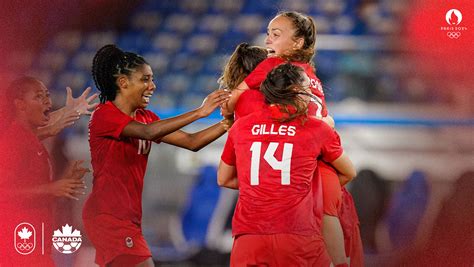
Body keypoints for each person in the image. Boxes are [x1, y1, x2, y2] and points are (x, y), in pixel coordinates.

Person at [221, 11, 356, 265]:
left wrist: (227, 110)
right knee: (328, 216)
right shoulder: (311, 77)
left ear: (298, 43)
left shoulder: (272, 69)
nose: (268, 40)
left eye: (276, 34)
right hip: (320, 164)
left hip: (266, 219)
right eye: (269, 34)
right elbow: (328, 123)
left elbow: (237, 96)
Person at [82, 44, 231, 267]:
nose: (152, 86)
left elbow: (192, 142)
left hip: (128, 218)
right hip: (108, 216)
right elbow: (149, 133)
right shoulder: (104, 115)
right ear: (123, 83)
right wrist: (200, 112)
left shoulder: (146, 116)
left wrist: (230, 122)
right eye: (145, 79)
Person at [0, 76, 93, 266]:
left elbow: (33, 190)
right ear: (20, 105)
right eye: (38, 97)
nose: (47, 101)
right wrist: (51, 189)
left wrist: (64, 183)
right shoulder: (14, 141)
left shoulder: (31, 140)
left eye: (47, 96)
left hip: (37, 242)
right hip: (19, 247)